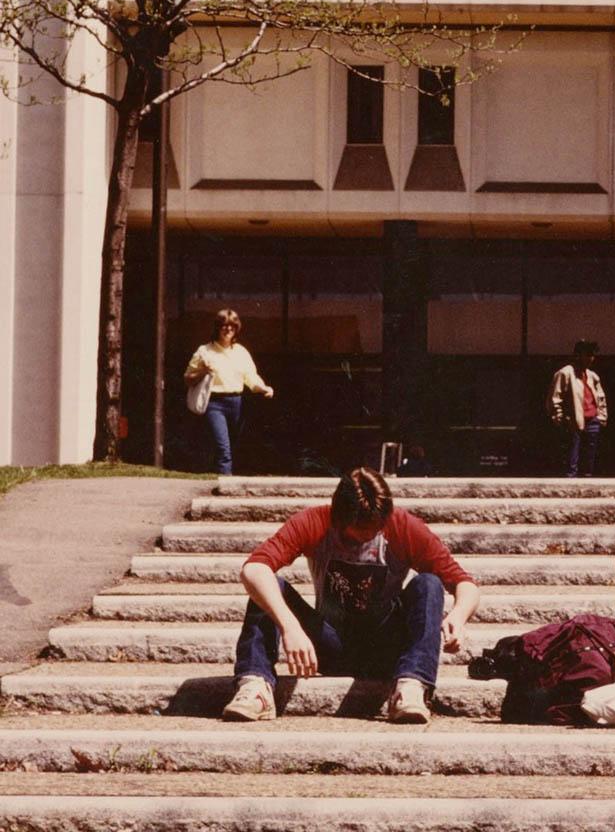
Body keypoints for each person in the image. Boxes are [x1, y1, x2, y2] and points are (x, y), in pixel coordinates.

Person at [222, 465, 479, 724]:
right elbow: (254, 569)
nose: (368, 536)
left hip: (385, 646)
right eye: (359, 532)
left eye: (376, 529)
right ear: (339, 518)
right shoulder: (315, 522)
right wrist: (290, 626)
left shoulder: (402, 526)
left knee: (429, 584)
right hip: (329, 643)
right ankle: (255, 686)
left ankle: (411, 688)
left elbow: (465, 584)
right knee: (268, 586)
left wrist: (457, 616)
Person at [183, 308, 274, 476]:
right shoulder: (204, 351)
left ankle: (218, 480)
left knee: (232, 447)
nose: (228, 329)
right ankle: (226, 486)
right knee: (223, 449)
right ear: (217, 328)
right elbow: (188, 379)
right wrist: (203, 370)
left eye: (232, 326)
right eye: (224, 326)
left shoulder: (241, 352)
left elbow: (251, 377)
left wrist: (264, 388)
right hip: (214, 404)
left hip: (236, 404)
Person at [546, 339, 607, 478]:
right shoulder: (565, 373)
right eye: (587, 354)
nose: (591, 358)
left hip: (593, 420)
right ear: (577, 355)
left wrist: (601, 416)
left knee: (589, 457)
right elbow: (555, 398)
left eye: (592, 355)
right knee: (571, 456)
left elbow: (600, 398)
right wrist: (560, 418)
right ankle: (570, 483)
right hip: (573, 420)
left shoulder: (592, 375)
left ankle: (587, 479)